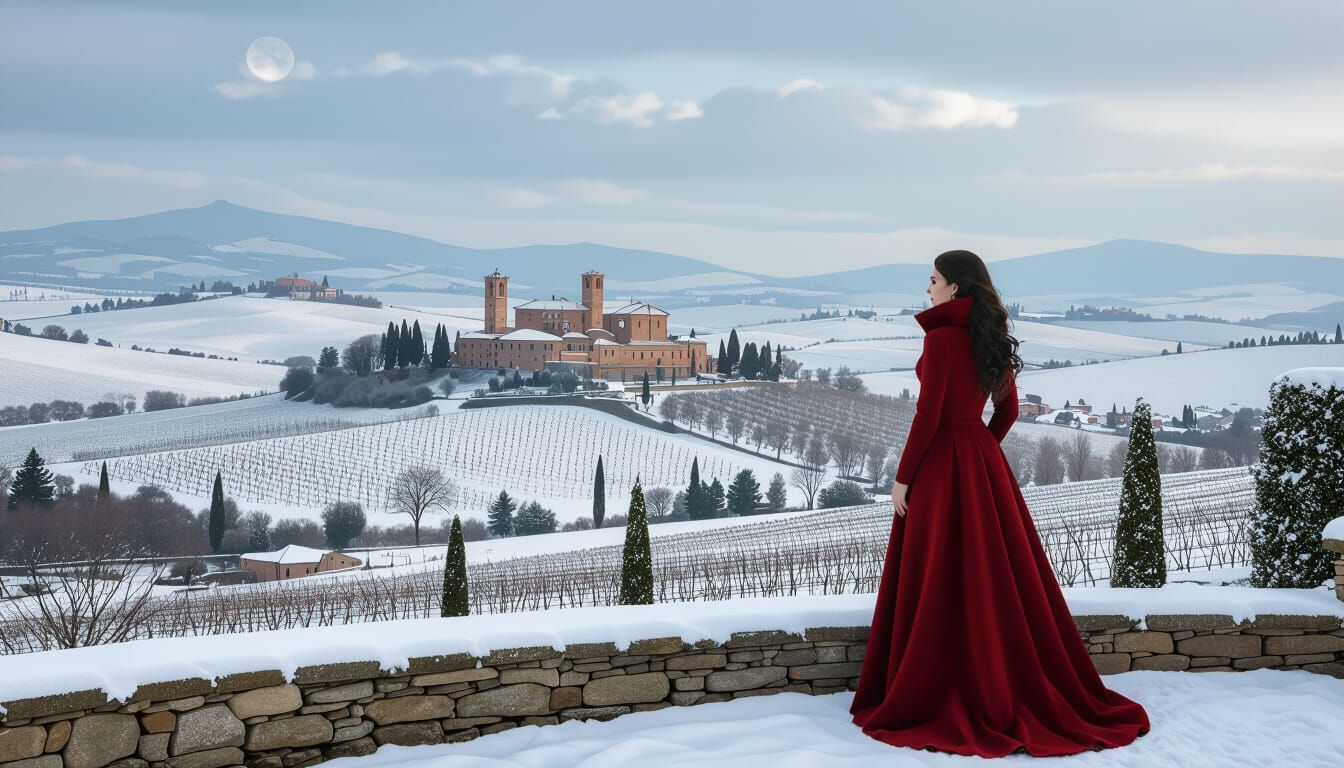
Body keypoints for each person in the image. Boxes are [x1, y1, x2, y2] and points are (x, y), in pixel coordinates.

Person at [849, 249, 1150, 757]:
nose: (928, 290)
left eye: (933, 280)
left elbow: (927, 417)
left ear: (957, 288)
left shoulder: (942, 339)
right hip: (982, 464)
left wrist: (903, 480)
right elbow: (1007, 410)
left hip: (942, 467)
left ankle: (937, 682)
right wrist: (979, 445)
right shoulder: (986, 336)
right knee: (995, 571)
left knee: (940, 572)